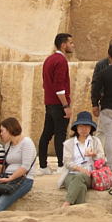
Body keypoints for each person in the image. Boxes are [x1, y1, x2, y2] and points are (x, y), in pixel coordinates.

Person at [39, 31, 73, 174]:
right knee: (60, 134)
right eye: (71, 43)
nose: (73, 45)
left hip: (49, 102)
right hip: (58, 104)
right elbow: (59, 86)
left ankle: (43, 166)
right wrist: (65, 105)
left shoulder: (49, 59)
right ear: (63, 45)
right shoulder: (61, 61)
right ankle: (61, 166)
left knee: (46, 134)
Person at [59, 112, 102, 206]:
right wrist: (80, 169)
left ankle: (67, 203)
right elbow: (67, 162)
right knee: (81, 186)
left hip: (90, 175)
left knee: (80, 177)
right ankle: (79, 209)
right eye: (81, 126)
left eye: (87, 126)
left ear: (91, 128)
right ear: (76, 128)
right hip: (71, 174)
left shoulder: (95, 141)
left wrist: (94, 155)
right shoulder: (68, 143)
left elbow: (102, 159)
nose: (84, 129)